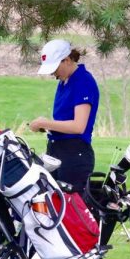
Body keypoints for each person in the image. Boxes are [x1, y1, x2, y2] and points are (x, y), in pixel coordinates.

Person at [29, 39, 100, 194]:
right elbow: (63, 121)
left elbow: (78, 126)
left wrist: (46, 123)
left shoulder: (83, 81)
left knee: (69, 209)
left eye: (55, 68)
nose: (52, 73)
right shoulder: (64, 82)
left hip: (74, 154)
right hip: (56, 150)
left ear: (67, 60)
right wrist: (46, 126)